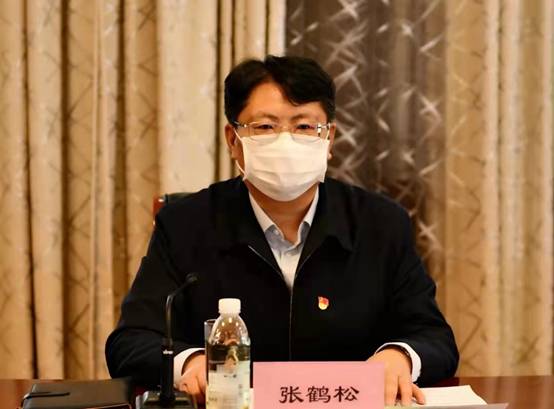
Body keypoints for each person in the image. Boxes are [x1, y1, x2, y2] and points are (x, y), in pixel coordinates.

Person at [105, 55, 458, 406]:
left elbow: (433, 337)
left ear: (329, 138)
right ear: (233, 140)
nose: (285, 142)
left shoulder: (380, 223)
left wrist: (400, 356)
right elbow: (131, 342)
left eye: (304, 127)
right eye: (265, 127)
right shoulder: (186, 224)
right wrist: (191, 362)